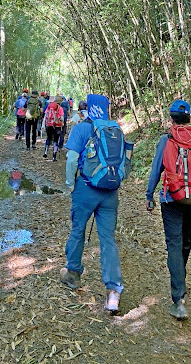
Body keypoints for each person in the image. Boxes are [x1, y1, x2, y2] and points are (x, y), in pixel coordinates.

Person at [146, 100, 191, 320]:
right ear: (190, 118)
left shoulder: (167, 139)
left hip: (172, 198)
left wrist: (149, 195)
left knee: (174, 245)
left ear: (171, 119)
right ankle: (181, 280)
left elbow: (157, 167)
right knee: (186, 241)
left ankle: (179, 299)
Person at [60, 94, 124, 314]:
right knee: (108, 239)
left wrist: (70, 184)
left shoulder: (81, 129)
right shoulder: (115, 130)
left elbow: (70, 159)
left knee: (78, 229)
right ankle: (113, 292)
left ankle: (73, 274)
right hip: (110, 192)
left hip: (85, 188)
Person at [43, 95, 64, 161]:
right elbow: (62, 118)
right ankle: (54, 156)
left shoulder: (49, 106)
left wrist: (43, 125)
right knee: (56, 140)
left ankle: (45, 151)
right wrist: (61, 122)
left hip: (49, 125)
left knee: (48, 138)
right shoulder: (60, 108)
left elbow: (45, 116)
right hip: (57, 126)